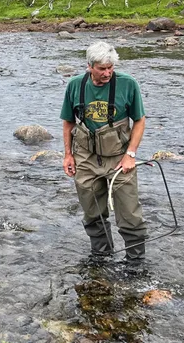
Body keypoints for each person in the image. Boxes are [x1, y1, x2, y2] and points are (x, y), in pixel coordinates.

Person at [60, 41, 148, 264]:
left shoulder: (128, 84)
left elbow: (139, 120)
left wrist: (131, 154)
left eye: (110, 68)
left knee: (130, 216)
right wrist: (68, 155)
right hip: (86, 158)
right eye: (102, 68)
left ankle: (135, 264)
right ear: (89, 66)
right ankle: (101, 258)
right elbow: (68, 122)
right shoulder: (74, 85)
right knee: (92, 214)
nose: (107, 73)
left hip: (119, 158)